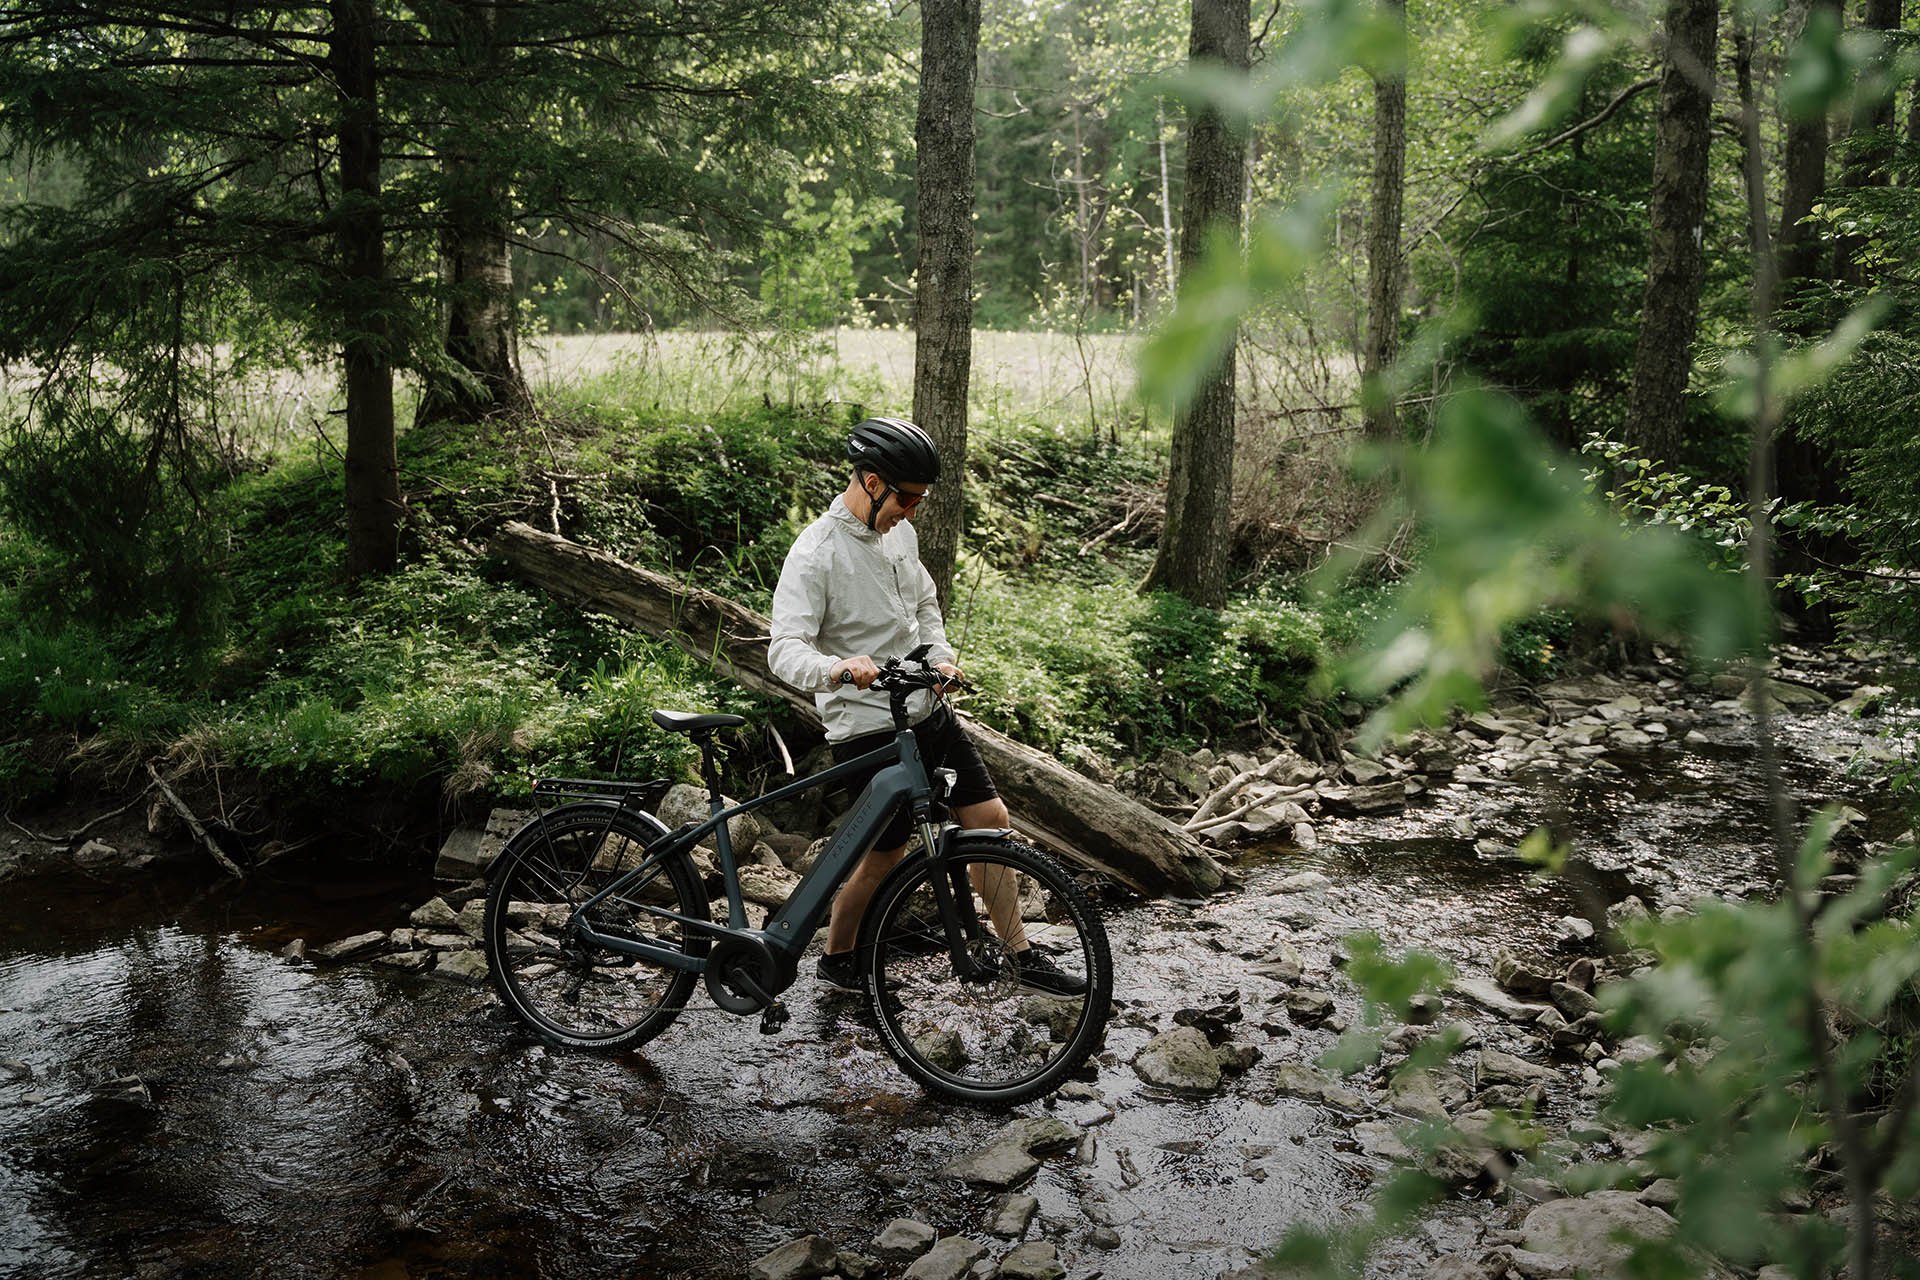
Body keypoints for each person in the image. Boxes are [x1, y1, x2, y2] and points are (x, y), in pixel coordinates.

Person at [767, 416, 1083, 997]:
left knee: (990, 823)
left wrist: (939, 657)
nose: (911, 511)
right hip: (866, 729)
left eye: (918, 500)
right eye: (906, 499)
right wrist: (836, 668)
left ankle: (1019, 954)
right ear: (869, 481)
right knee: (884, 853)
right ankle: (838, 961)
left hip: (925, 712)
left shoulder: (901, 535)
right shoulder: (816, 553)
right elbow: (784, 651)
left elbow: (925, 606)